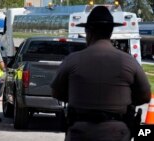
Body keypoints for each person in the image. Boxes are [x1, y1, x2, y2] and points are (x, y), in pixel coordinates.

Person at [51, 6, 151, 141]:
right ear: (110, 32)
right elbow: (145, 96)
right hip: (116, 132)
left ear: (88, 31)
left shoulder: (72, 60)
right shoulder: (129, 61)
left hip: (81, 132)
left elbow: (57, 92)